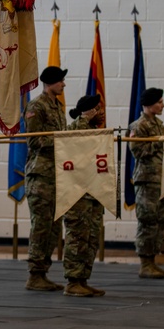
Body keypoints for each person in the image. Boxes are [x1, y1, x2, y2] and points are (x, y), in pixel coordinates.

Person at [23, 66, 68, 292]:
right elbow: (34, 141)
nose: (64, 85)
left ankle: (43, 271)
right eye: (61, 81)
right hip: (40, 175)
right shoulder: (36, 106)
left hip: (55, 175)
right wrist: (63, 141)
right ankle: (35, 274)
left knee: (53, 227)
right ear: (51, 83)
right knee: (41, 226)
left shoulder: (58, 107)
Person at [62, 94, 106, 297]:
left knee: (91, 238)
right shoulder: (74, 128)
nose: (102, 112)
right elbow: (69, 139)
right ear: (88, 112)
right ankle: (72, 281)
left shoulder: (95, 132)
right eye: (98, 108)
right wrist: (84, 119)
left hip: (94, 192)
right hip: (77, 193)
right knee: (77, 237)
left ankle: (83, 278)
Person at [129, 87, 164, 279]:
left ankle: (153, 260)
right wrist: (158, 142)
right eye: (159, 102)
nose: (163, 105)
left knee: (159, 221)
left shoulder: (159, 125)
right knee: (147, 221)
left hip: (160, 179)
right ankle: (145, 263)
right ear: (149, 104)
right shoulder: (139, 126)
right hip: (147, 180)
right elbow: (137, 150)